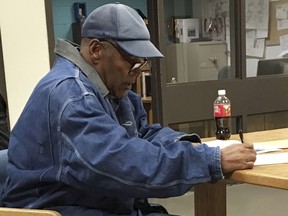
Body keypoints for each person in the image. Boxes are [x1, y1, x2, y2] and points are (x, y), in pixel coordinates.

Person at [0, 3, 256, 216]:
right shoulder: (71, 96)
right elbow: (123, 163)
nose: (137, 73)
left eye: (141, 64)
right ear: (97, 50)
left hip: (100, 203)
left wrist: (191, 146)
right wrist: (209, 161)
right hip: (63, 209)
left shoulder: (113, 92)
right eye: (131, 62)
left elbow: (142, 135)